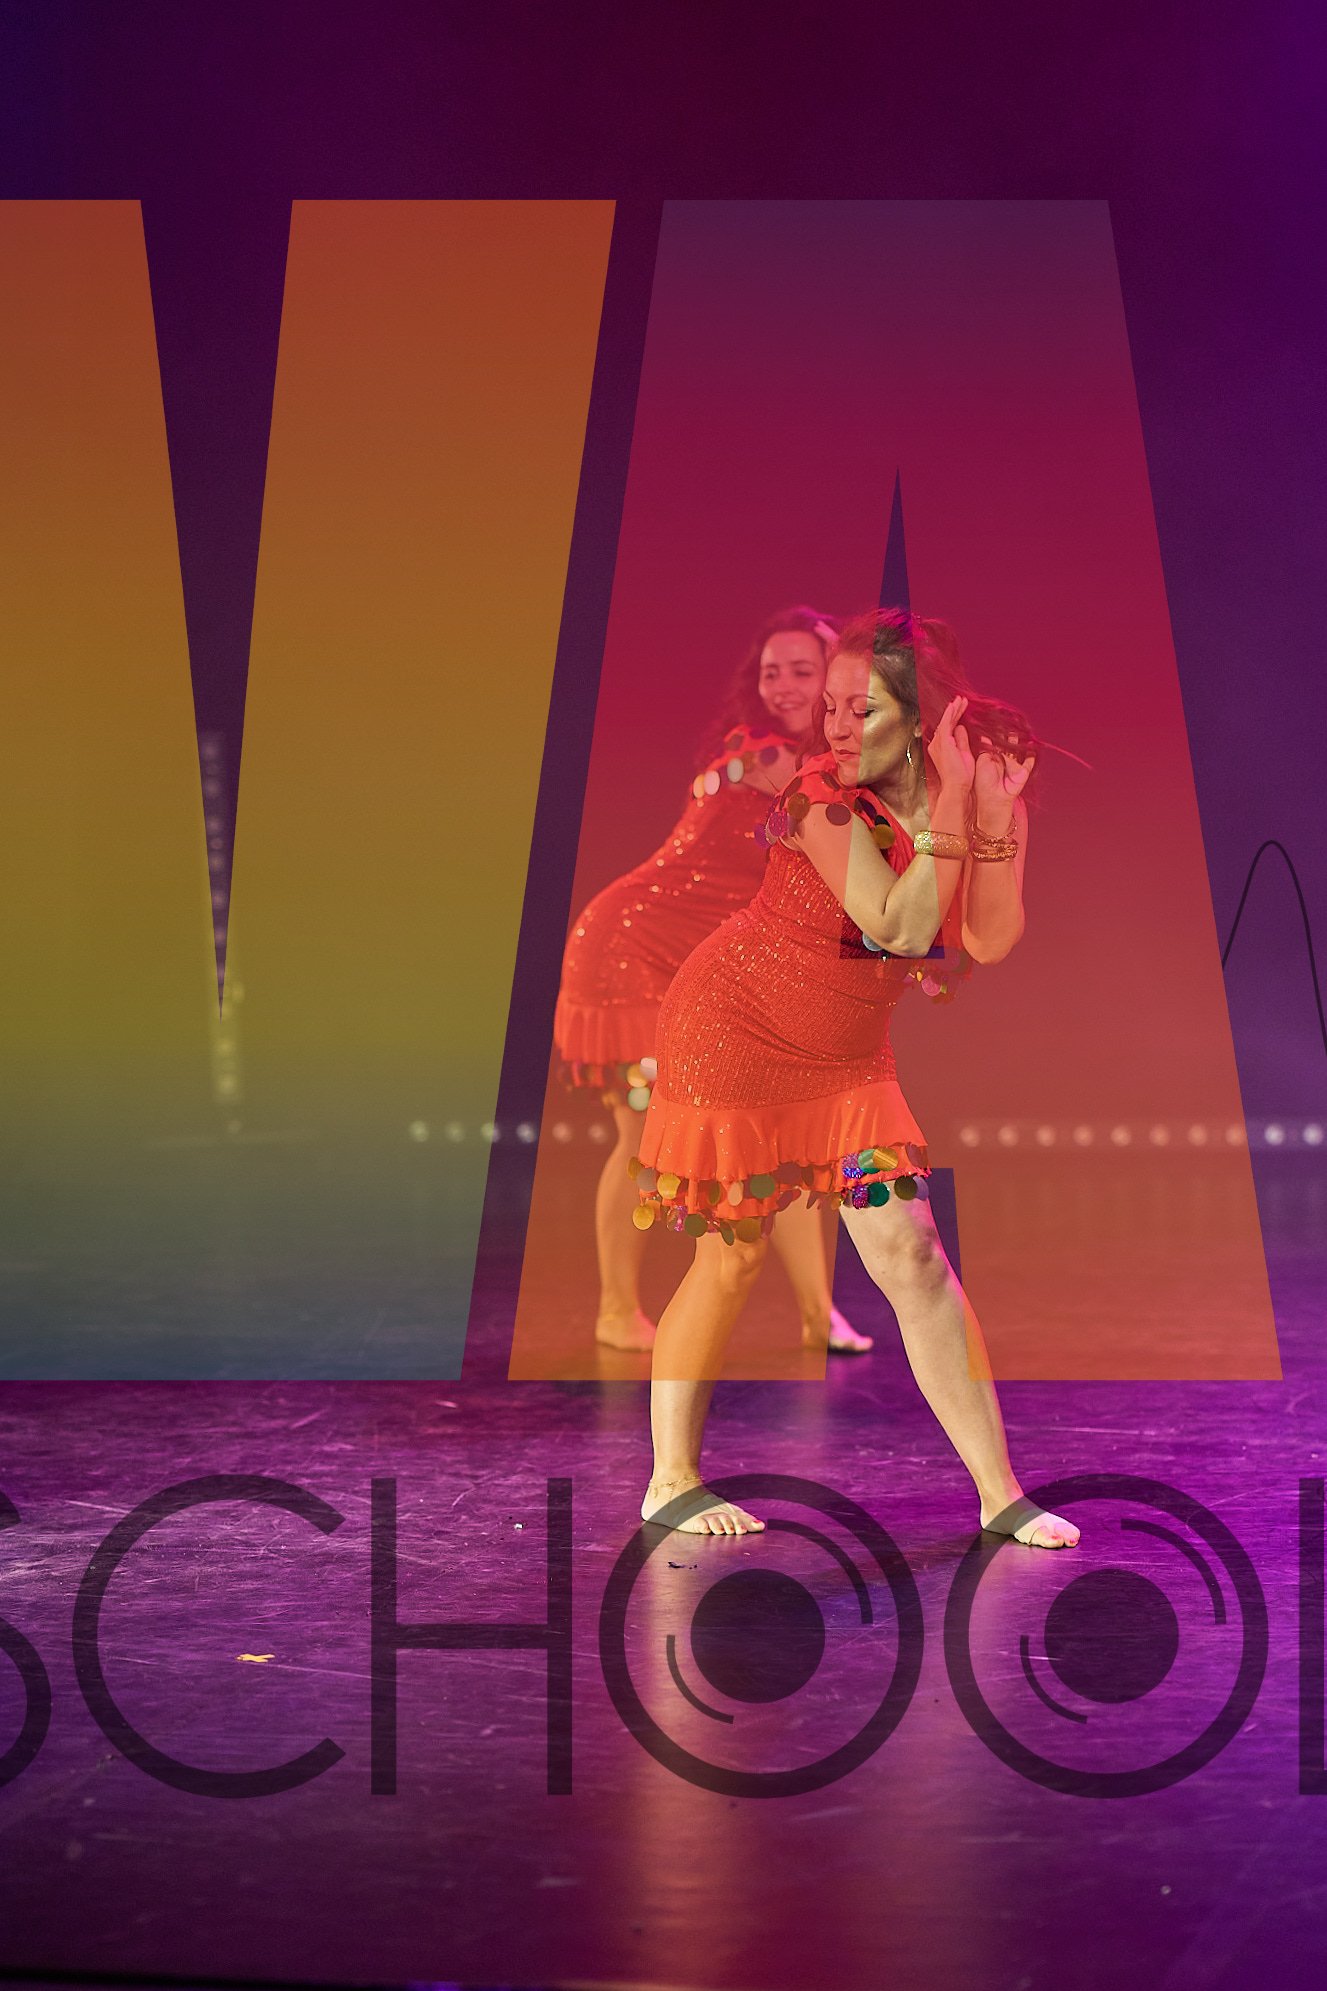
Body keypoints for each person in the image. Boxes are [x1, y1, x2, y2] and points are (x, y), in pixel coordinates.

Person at [630, 607, 1080, 1549]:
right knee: (731, 1256)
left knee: (912, 1254)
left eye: (859, 708)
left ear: (919, 716)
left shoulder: (977, 788)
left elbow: (989, 936)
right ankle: (670, 1479)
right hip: (733, 1032)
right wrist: (955, 816)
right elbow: (896, 925)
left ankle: (999, 1493)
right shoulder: (818, 796)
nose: (833, 726)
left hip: (844, 1062)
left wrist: (991, 815)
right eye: (829, 706)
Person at [555, 606, 873, 1356]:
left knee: (773, 1131)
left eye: (802, 670)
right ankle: (614, 1311)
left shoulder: (807, 759)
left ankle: (817, 1314)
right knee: (640, 1136)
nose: (784, 685)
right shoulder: (762, 754)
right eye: (772, 672)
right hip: (630, 951)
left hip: (706, 964)